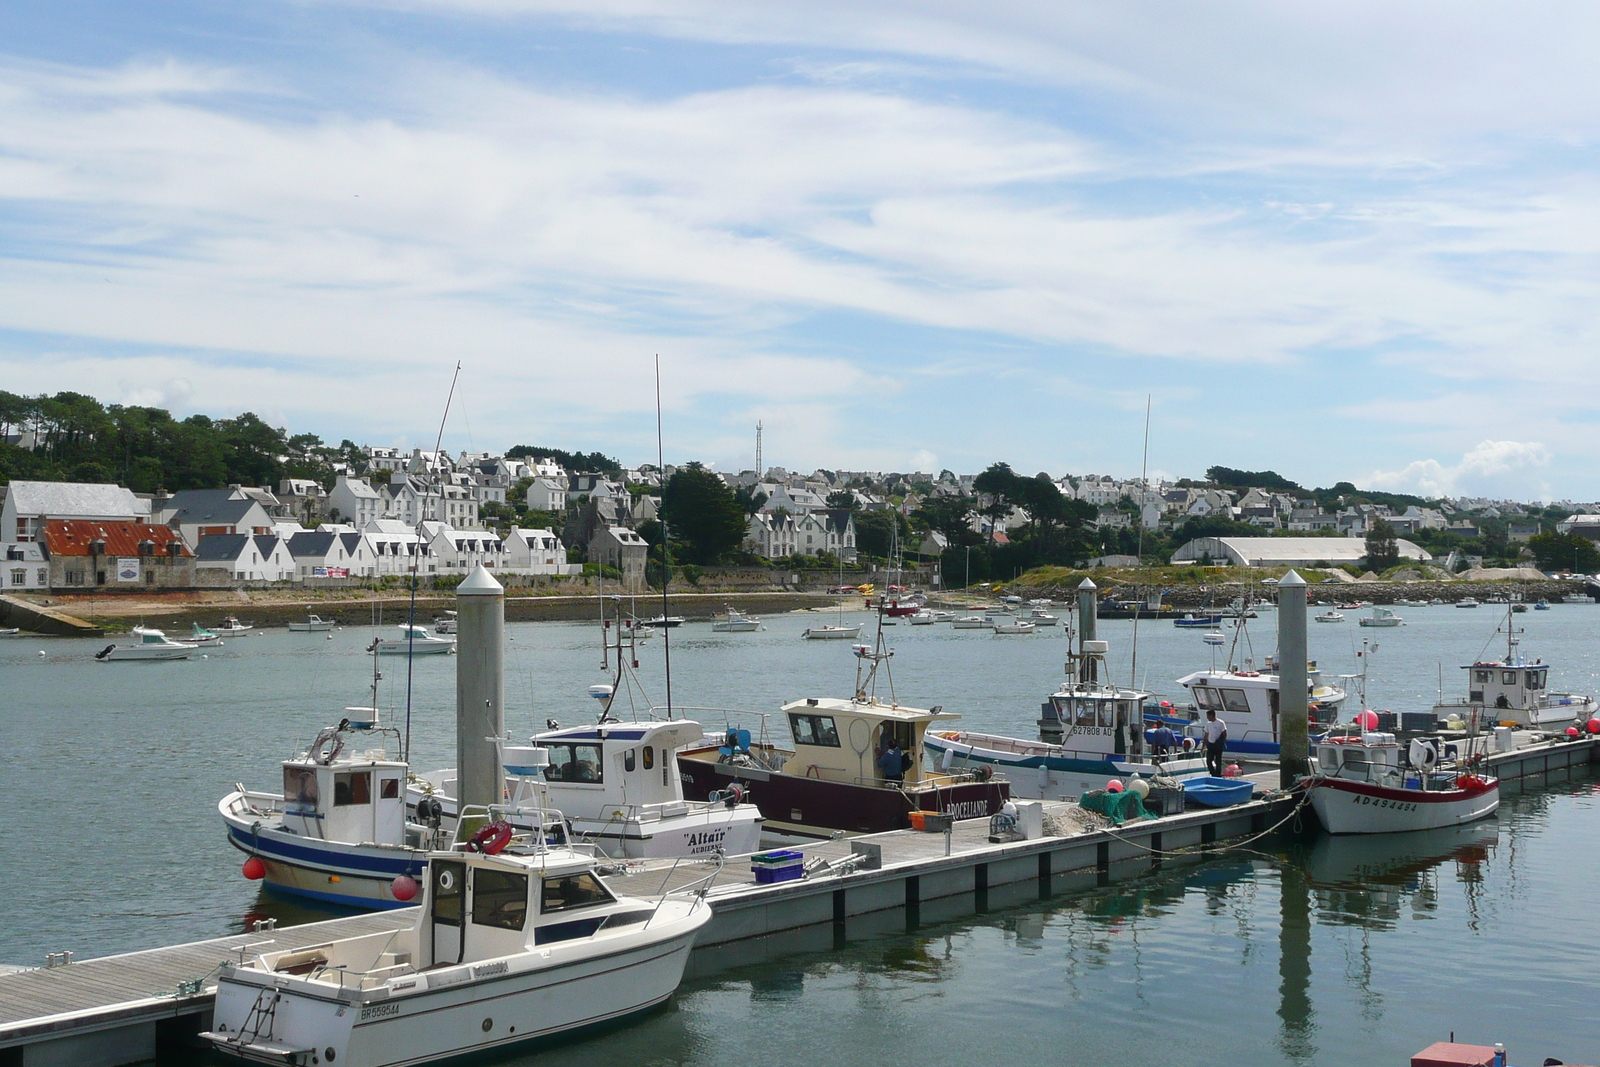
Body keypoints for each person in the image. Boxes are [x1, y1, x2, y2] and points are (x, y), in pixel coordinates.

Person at [1202, 710, 1228, 777]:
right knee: (1209, 761)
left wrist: (1222, 742)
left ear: (1211, 716)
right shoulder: (1208, 724)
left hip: (1218, 744)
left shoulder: (1220, 723)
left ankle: (1218, 774)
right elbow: (1206, 735)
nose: (1207, 718)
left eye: (1208, 716)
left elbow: (1224, 733)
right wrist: (1203, 746)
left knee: (1218, 761)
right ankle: (1213, 774)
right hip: (1210, 744)